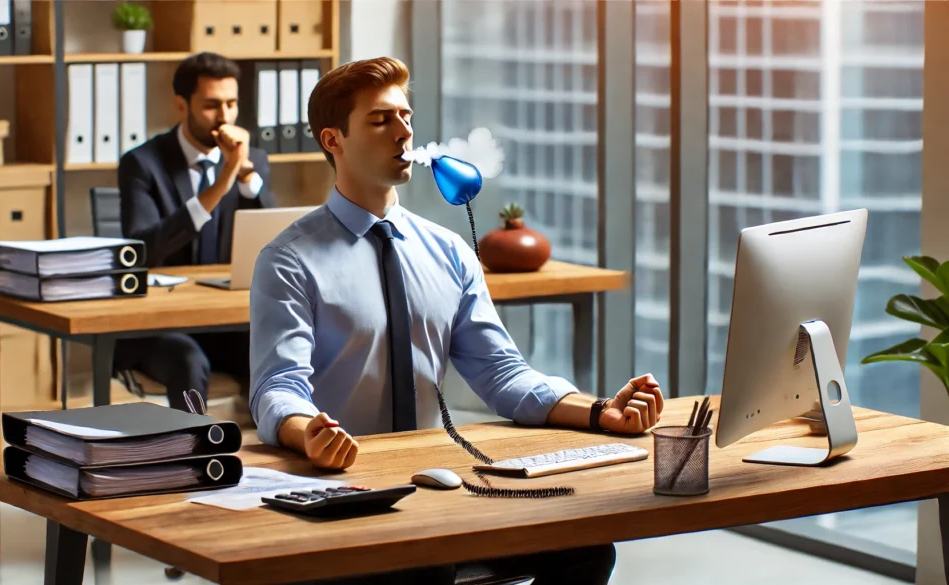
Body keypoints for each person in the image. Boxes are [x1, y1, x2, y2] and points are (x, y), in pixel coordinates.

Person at [248, 56, 663, 585]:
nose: (404, 132)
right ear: (334, 140)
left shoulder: (448, 252)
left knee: (585, 548)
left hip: (431, 483)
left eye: (406, 116)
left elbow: (503, 375)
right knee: (420, 572)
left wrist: (600, 411)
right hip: (343, 490)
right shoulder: (289, 259)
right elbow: (276, 389)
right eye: (381, 120)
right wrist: (309, 434)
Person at [117, 52, 274, 410]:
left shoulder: (254, 162)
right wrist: (222, 181)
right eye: (211, 105)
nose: (225, 117)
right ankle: (196, 459)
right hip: (157, 327)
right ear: (181, 105)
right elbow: (144, 248)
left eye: (232, 104)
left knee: (272, 351)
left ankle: (277, 451)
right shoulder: (141, 163)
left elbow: (274, 241)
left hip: (223, 320)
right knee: (189, 363)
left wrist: (246, 174)